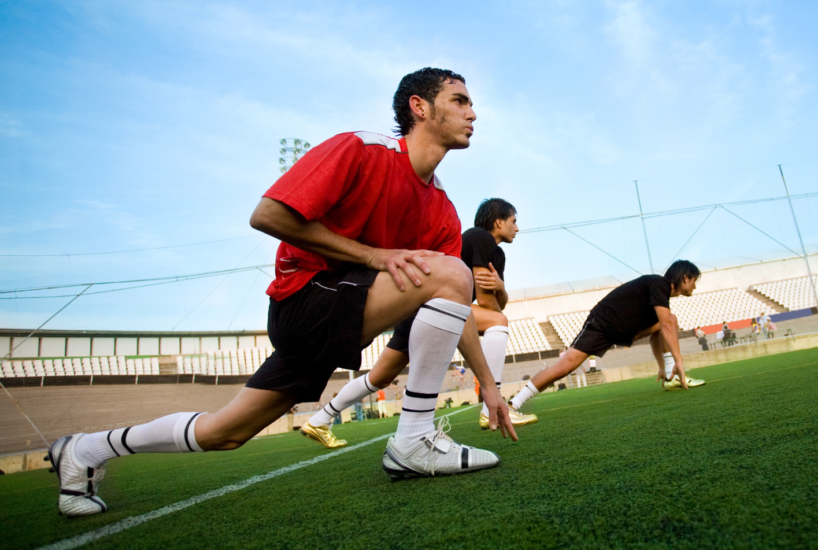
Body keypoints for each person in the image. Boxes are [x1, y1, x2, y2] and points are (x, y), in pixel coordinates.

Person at [46, 68, 518, 517]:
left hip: (346, 308)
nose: (472, 113)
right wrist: (373, 255)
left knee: (225, 432)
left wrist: (490, 390)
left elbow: (451, 300)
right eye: (459, 101)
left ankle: (84, 449)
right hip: (304, 300)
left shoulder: (441, 206)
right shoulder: (361, 149)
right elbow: (268, 214)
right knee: (449, 271)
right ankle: (414, 439)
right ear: (419, 106)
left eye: (471, 104)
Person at [299, 198, 536, 443]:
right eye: (513, 221)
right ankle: (491, 410)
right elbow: (490, 306)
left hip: (419, 307)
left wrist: (501, 288)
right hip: (432, 306)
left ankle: (319, 420)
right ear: (498, 222)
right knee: (499, 321)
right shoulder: (480, 238)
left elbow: (497, 303)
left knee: (378, 377)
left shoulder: (493, 251)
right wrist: (498, 294)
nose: (516, 228)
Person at [507, 261, 705, 416]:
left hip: (621, 330)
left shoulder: (661, 296)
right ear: (685, 278)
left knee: (669, 319)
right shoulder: (659, 284)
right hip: (601, 326)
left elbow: (658, 333)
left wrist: (663, 367)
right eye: (695, 280)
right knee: (562, 369)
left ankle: (671, 377)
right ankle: (513, 404)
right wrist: (679, 361)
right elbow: (667, 326)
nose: (695, 286)